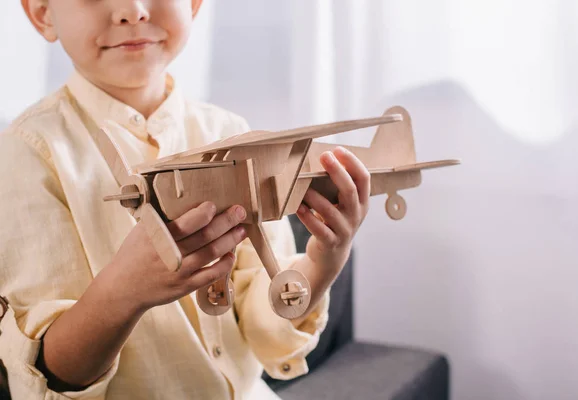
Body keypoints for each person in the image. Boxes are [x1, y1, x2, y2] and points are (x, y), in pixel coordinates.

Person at [0, 0, 371, 399]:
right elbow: (51, 375)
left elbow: (267, 334)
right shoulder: (25, 155)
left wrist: (321, 262)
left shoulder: (231, 131)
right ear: (42, 14)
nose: (133, 11)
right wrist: (125, 290)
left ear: (194, 4)